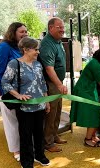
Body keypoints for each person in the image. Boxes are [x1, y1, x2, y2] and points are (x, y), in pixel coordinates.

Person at [1, 37, 50, 168]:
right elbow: (5, 82)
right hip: (24, 108)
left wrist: (47, 101)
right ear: (26, 49)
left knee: (39, 132)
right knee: (26, 135)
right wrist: (18, 96)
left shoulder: (38, 65)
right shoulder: (14, 64)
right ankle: (26, 161)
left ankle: (40, 155)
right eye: (35, 49)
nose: (37, 52)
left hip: (39, 106)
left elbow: (42, 84)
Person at [0, 22, 28, 161]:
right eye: (21, 32)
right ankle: (16, 150)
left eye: (26, 31)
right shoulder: (4, 47)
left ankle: (27, 146)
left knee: (24, 120)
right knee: (12, 121)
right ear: (13, 32)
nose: (25, 34)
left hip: (24, 91)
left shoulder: (24, 47)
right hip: (9, 91)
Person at [70, 42, 100, 147]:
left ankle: (93, 135)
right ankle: (88, 139)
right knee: (93, 114)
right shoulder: (95, 63)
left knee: (95, 112)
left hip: (89, 89)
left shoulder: (96, 62)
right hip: (85, 90)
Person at [39, 17, 68, 153]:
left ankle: (54, 135)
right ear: (50, 28)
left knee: (57, 111)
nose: (62, 30)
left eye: (63, 27)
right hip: (51, 84)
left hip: (57, 83)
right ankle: (48, 143)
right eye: (59, 27)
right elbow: (49, 68)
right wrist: (59, 85)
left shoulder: (58, 41)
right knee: (50, 114)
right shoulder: (47, 44)